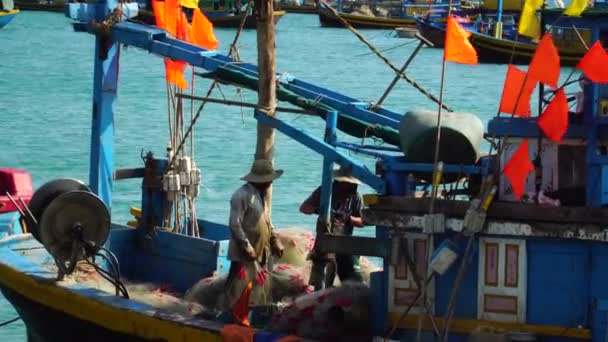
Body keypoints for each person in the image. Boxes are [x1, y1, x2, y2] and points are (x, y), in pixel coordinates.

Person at [224, 159, 284, 324]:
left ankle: (250, 319)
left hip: (260, 252)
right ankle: (229, 319)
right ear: (260, 180)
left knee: (256, 290)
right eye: (269, 179)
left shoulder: (260, 195)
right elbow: (234, 224)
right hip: (243, 255)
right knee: (237, 289)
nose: (271, 182)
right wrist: (247, 247)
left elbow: (266, 221)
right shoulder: (241, 195)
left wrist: (275, 240)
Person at [300, 166, 364, 290]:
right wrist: (320, 211)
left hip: (344, 245)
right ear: (340, 181)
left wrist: (348, 218)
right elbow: (304, 208)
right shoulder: (325, 191)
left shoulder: (356, 197)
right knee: (320, 278)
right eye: (348, 183)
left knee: (345, 278)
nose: (352, 186)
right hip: (324, 241)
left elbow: (362, 221)